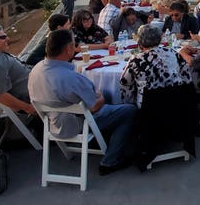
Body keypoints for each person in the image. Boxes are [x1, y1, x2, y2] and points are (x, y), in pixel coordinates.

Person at [28, 29, 137, 176]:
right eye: (74, 44)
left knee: (106, 98)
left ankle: (103, 140)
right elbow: (94, 106)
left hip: (52, 121)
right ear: (68, 49)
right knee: (129, 110)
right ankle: (110, 161)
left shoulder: (37, 69)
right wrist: (101, 96)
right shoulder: (69, 77)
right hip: (76, 124)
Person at [120, 26, 193, 108]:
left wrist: (132, 105)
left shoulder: (136, 60)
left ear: (139, 41)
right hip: (176, 103)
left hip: (148, 108)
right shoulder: (173, 53)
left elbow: (125, 84)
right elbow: (187, 78)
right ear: (159, 39)